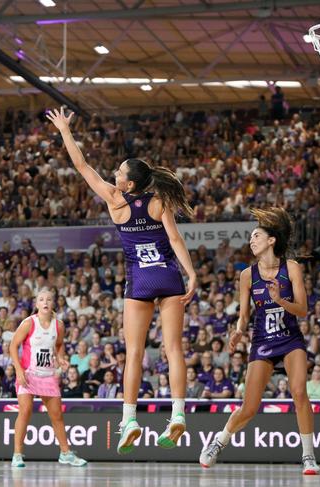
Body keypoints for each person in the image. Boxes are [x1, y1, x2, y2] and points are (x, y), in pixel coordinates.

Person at [47, 108, 196, 454]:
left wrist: (66, 131)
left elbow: (82, 166)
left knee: (134, 353)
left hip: (140, 281)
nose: (114, 173)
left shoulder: (116, 201)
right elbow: (175, 241)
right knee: (174, 350)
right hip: (168, 275)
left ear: (128, 184)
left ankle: (130, 419)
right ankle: (177, 414)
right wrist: (192, 275)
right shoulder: (159, 202)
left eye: (119, 171)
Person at [200, 207, 320, 475]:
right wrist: (238, 331)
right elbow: (244, 316)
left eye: (256, 236)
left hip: (290, 339)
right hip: (263, 341)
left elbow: (303, 310)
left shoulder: (291, 268)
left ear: (271, 240)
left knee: (299, 392)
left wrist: (279, 300)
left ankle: (308, 456)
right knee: (249, 407)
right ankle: (219, 442)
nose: (251, 240)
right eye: (251, 237)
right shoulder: (247, 275)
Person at [9, 290, 87, 468]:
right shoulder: (28, 323)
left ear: (53, 304)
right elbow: (13, 346)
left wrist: (60, 358)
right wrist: (18, 370)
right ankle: (17, 455)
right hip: (28, 374)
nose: (45, 302)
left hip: (48, 375)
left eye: (49, 299)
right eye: (41, 299)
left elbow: (59, 345)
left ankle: (65, 453)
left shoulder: (59, 325)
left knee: (57, 415)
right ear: (36, 304)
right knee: (25, 411)